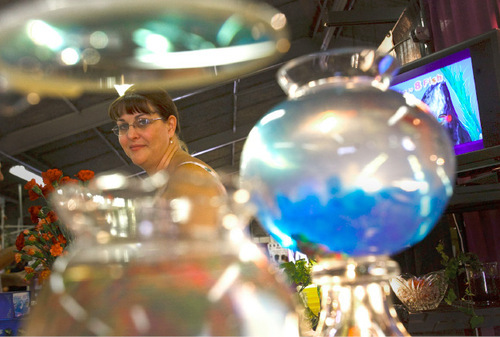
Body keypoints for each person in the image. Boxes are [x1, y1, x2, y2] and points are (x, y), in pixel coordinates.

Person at [108, 87, 225, 230]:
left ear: (170, 126)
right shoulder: (174, 179)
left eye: (143, 122)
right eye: (123, 126)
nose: (131, 134)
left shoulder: (189, 180)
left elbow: (197, 251)